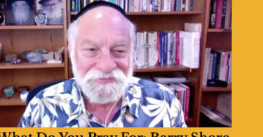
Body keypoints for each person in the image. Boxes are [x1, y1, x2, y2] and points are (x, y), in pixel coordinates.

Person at [18, 1, 187, 127]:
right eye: (91, 50)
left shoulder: (166, 104)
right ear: (71, 51)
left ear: (132, 51)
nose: (106, 66)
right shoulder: (40, 107)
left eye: (120, 50)